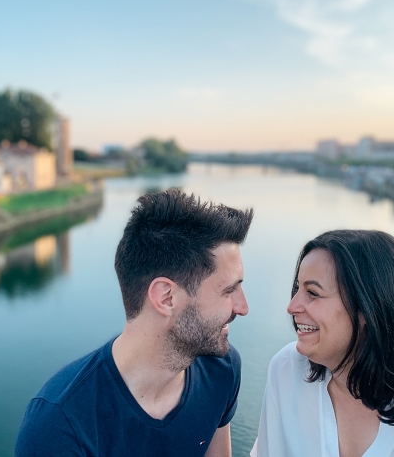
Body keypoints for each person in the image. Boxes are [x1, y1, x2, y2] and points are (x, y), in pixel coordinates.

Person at [15, 189, 253, 457]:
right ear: (166, 297)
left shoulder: (222, 368)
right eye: (228, 291)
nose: (243, 307)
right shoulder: (58, 424)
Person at [251, 230, 394, 457]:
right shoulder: (286, 370)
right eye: (297, 289)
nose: (292, 306)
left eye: (312, 292)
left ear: (367, 308)